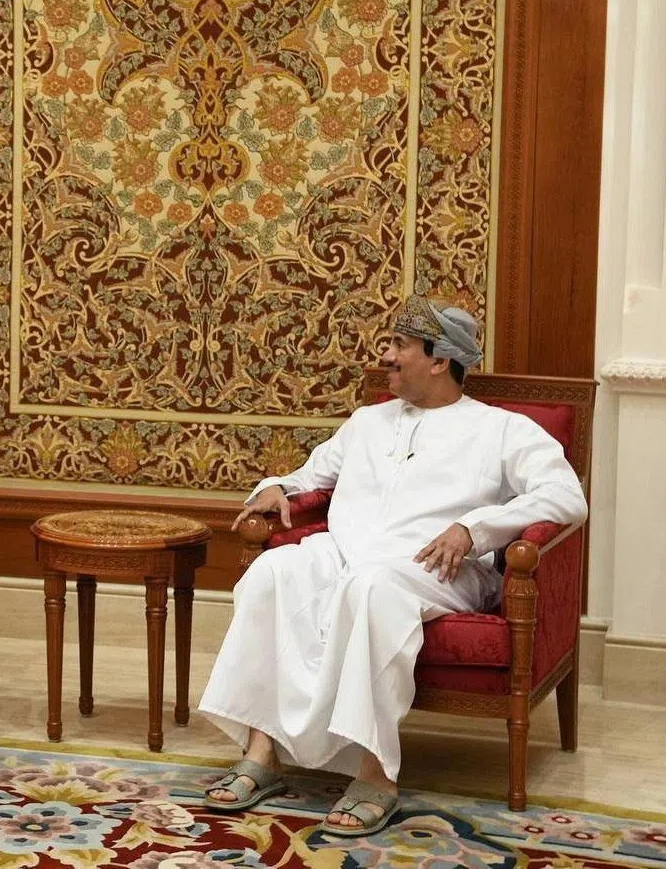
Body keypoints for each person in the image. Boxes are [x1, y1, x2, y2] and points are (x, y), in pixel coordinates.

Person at [197, 295, 588, 837]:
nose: (384, 356)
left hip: (435, 567)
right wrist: (275, 486)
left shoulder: (503, 430)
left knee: (373, 588)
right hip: (350, 552)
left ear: (439, 360)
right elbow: (309, 476)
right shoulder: (367, 421)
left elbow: (567, 499)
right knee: (272, 572)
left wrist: (476, 528)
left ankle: (377, 776)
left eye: (398, 345)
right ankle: (263, 753)